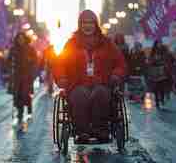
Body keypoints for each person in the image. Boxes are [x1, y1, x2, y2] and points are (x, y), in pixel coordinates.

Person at [53, 10, 126, 143]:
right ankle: (82, 132)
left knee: (101, 94)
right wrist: (61, 78)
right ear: (80, 24)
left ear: (95, 24)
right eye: (84, 22)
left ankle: (101, 130)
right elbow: (59, 63)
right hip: (78, 83)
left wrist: (116, 75)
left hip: (102, 83)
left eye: (90, 22)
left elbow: (120, 62)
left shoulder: (107, 43)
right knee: (80, 95)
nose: (88, 25)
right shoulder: (71, 44)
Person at [8, 32, 38, 126]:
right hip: (16, 76)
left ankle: (28, 108)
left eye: (22, 38)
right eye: (19, 38)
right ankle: (19, 113)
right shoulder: (13, 49)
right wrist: (10, 67)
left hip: (27, 75)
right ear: (17, 39)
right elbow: (8, 60)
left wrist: (31, 63)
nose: (20, 40)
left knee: (25, 94)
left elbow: (35, 60)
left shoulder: (30, 49)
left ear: (25, 39)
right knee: (17, 95)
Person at [147, 39, 173, 109]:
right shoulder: (153, 51)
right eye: (158, 43)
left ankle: (162, 99)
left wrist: (164, 62)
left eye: (160, 43)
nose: (159, 44)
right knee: (156, 88)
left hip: (162, 71)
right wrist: (153, 60)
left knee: (161, 87)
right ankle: (157, 101)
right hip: (155, 72)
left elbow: (168, 59)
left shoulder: (164, 51)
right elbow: (150, 60)